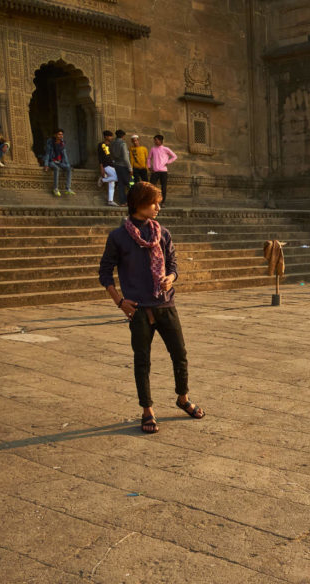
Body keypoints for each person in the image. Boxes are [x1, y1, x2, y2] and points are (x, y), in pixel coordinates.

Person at [98, 181, 206, 433]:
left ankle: (183, 398)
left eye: (158, 202)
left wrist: (171, 278)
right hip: (138, 309)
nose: (158, 206)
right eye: (154, 202)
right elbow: (104, 272)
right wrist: (119, 301)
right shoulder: (119, 237)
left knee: (180, 354)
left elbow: (173, 265)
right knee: (142, 361)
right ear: (138, 204)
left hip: (165, 304)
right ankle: (147, 410)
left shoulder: (163, 233)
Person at [42, 129, 74, 197]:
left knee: (68, 168)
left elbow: (65, 155)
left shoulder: (62, 143)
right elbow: (47, 154)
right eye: (59, 134)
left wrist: (67, 164)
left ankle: (68, 188)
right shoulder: (50, 142)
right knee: (56, 169)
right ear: (55, 135)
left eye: (62, 134)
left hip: (59, 162)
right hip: (52, 161)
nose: (61, 136)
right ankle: (55, 189)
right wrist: (46, 165)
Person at [148, 134, 178, 203]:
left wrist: (168, 162)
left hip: (163, 171)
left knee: (163, 187)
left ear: (160, 140)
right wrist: (149, 166)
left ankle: (163, 202)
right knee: (151, 186)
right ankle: (151, 200)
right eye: (154, 140)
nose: (155, 141)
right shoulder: (153, 149)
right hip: (155, 171)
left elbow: (174, 156)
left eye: (156, 140)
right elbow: (149, 158)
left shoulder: (166, 149)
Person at [111, 129, 132, 205]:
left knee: (121, 184)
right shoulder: (122, 143)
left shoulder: (112, 143)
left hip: (116, 165)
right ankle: (133, 200)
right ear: (123, 136)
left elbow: (111, 154)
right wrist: (130, 168)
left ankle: (123, 202)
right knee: (131, 183)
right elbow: (126, 157)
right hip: (123, 165)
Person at [97, 130, 118, 206]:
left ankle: (110, 200)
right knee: (117, 177)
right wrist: (101, 167)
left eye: (111, 136)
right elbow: (100, 157)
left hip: (112, 165)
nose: (111, 138)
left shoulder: (111, 145)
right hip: (106, 165)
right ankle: (103, 180)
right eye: (110, 136)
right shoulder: (101, 145)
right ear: (106, 136)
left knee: (112, 183)